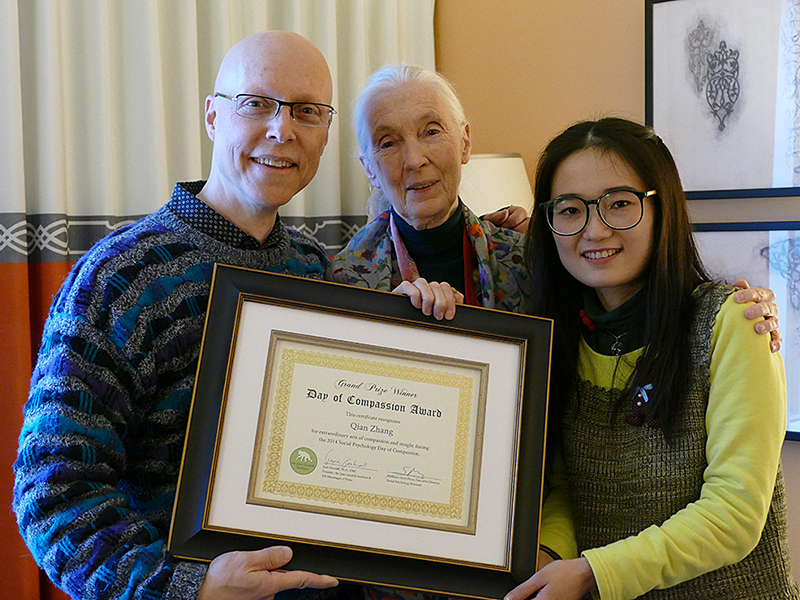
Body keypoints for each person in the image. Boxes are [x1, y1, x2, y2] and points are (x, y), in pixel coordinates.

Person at [13, 30, 348, 600]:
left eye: (307, 111)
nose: (282, 129)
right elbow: (53, 492)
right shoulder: (119, 275)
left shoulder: (320, 272)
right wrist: (188, 587)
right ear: (214, 117)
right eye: (257, 103)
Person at [505, 118, 798, 599]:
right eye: (571, 209)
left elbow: (734, 516)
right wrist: (547, 559)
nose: (594, 230)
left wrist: (591, 573)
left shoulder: (732, 324)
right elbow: (563, 491)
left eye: (619, 204)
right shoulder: (553, 340)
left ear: (663, 208)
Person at [328, 64, 527, 312]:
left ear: (464, 143)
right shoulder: (343, 279)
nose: (414, 160)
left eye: (431, 131)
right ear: (369, 168)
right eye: (388, 143)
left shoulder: (524, 261)